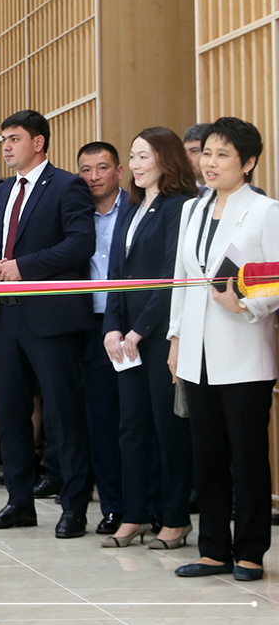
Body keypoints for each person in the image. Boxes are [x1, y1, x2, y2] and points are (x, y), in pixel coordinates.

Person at [169, 117, 279, 581]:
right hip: (196, 352)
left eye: (222, 156)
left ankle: (251, 551)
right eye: (206, 153)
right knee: (207, 454)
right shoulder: (192, 210)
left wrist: (246, 305)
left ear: (248, 162)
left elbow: (276, 279)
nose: (209, 164)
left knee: (247, 455)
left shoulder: (266, 211)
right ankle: (214, 548)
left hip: (244, 351)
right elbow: (181, 279)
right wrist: (175, 339)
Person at [0, 109, 96, 540]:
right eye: (3, 140)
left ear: (39, 142)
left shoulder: (68, 186)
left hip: (50, 318)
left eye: (14, 138)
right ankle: (19, 502)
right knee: (10, 414)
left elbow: (80, 244)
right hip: (3, 317)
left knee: (62, 414)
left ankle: (74, 507)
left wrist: (22, 267)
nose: (7, 146)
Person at [101, 127, 197, 550]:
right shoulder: (132, 208)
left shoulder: (180, 207)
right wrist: (113, 327)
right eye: (133, 157)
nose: (136, 165)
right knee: (132, 427)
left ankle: (175, 518)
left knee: (167, 428)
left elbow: (171, 278)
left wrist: (140, 330)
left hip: (160, 334)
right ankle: (135, 514)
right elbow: (117, 277)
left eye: (143, 157)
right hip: (127, 338)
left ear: (166, 159)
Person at [75, 141, 129, 536]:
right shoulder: (75, 215)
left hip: (133, 326)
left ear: (119, 171)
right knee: (101, 421)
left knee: (140, 421)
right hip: (91, 327)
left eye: (102, 168)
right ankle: (112, 506)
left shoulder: (139, 211)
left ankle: (148, 505)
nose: (94, 176)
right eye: (86, 170)